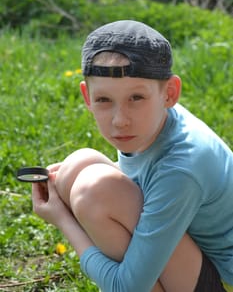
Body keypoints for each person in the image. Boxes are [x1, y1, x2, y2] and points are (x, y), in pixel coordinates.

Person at [32, 20, 233, 292]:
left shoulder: (183, 167)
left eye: (136, 98)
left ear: (169, 93)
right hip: (198, 254)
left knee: (94, 192)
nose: (120, 121)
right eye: (104, 100)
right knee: (77, 167)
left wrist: (63, 220)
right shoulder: (152, 122)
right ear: (87, 97)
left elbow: (126, 287)